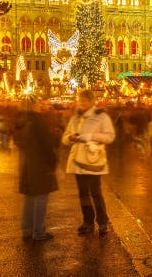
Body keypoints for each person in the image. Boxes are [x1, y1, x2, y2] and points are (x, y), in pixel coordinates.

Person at [62, 89, 116, 237]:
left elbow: (110, 137)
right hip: (77, 160)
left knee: (96, 193)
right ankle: (88, 221)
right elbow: (65, 137)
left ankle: (103, 222)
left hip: (92, 160)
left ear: (92, 102)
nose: (81, 104)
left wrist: (90, 136)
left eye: (84, 101)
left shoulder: (102, 117)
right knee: (83, 194)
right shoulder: (75, 118)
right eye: (80, 101)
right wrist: (70, 138)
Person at [15, 97, 59, 241]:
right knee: (41, 197)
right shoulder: (38, 121)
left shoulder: (20, 120)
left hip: (27, 162)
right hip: (40, 163)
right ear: (33, 106)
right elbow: (47, 143)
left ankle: (26, 229)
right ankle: (38, 231)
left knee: (29, 197)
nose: (41, 106)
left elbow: (18, 141)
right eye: (39, 104)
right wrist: (53, 162)